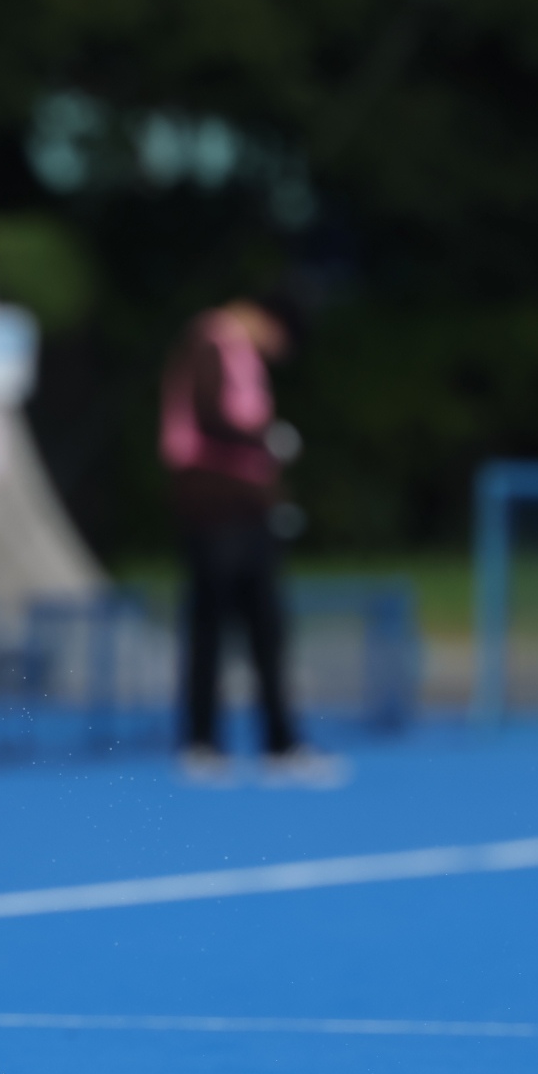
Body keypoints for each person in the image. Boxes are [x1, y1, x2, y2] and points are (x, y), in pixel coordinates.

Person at [159, 294, 345, 787]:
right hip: (213, 507)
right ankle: (201, 743)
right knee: (210, 625)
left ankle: (280, 743)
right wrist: (264, 438)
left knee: (267, 627)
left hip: (250, 508)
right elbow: (209, 415)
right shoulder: (210, 344)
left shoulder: (240, 354)